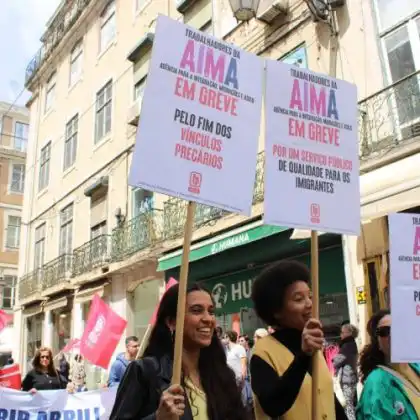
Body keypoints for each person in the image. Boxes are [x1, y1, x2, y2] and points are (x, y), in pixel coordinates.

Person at [110, 283, 248, 420]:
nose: (208, 319)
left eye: (211, 312)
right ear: (171, 322)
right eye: (196, 310)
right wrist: (158, 418)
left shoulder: (221, 375)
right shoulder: (145, 372)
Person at [250, 260, 347, 420]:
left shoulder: (315, 346)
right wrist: (303, 355)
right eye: (298, 299)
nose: (309, 304)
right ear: (276, 310)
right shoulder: (263, 352)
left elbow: (329, 399)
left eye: (309, 296)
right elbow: (273, 405)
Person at [357, 310, 420, 419]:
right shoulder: (376, 384)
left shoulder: (416, 365)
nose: (393, 335)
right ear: (378, 344)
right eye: (384, 331)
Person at [333, 323, 359, 420]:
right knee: (350, 404)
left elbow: (337, 361)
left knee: (348, 406)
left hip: (347, 379)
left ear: (349, 333)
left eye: (342, 332)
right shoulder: (351, 344)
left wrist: (333, 358)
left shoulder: (347, 346)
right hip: (351, 378)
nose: (341, 335)